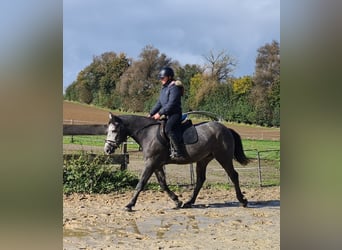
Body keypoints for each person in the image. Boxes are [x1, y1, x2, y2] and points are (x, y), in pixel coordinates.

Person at [149, 67, 186, 159]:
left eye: (163, 78)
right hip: (168, 115)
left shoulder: (174, 88)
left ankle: (179, 152)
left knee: (168, 129)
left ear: (169, 77)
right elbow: (159, 103)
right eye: (160, 78)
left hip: (175, 115)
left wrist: (159, 113)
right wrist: (151, 113)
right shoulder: (164, 89)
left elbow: (171, 104)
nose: (161, 80)